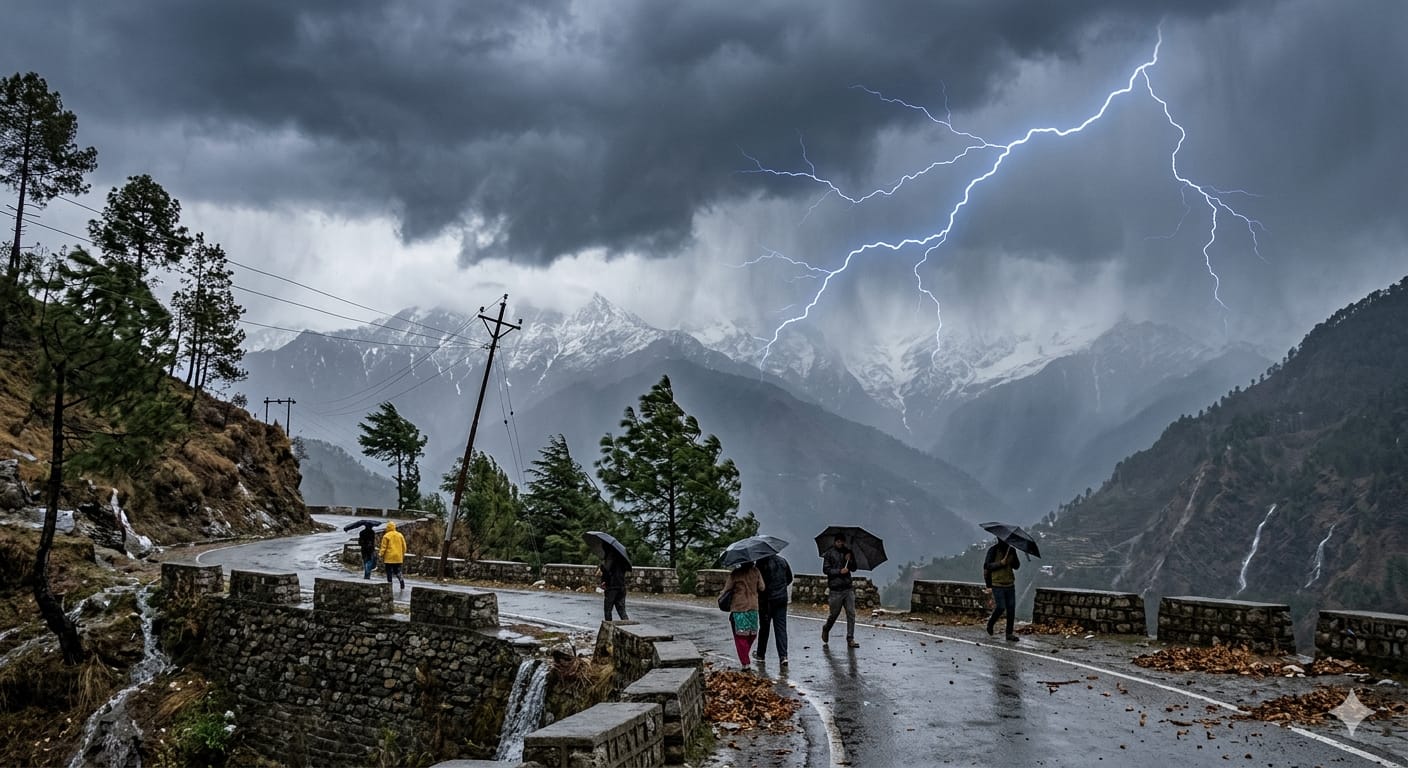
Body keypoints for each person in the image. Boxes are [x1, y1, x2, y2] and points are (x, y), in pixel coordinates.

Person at [721, 561, 766, 671]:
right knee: (751, 634)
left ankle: (745, 662)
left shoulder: (736, 573)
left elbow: (726, 589)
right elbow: (762, 587)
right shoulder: (756, 571)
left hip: (739, 608)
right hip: (753, 608)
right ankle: (745, 657)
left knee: (740, 637)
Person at [754, 553, 793, 666]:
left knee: (764, 628)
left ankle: (761, 654)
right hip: (781, 598)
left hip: (766, 600)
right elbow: (789, 578)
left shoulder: (761, 562)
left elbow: (759, 583)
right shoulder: (783, 561)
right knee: (781, 628)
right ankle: (783, 656)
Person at [821, 534, 859, 648]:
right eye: (838, 541)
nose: (840, 543)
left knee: (851, 613)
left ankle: (850, 638)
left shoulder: (848, 552)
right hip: (835, 590)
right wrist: (839, 571)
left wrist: (850, 560)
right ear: (835, 542)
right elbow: (826, 569)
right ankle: (826, 628)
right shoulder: (829, 553)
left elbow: (854, 568)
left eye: (842, 541)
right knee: (834, 614)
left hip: (847, 588)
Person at [984, 536, 1021, 641]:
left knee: (1011, 609)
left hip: (1010, 583)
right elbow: (987, 566)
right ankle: (991, 623)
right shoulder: (993, 550)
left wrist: (1012, 559)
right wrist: (1001, 563)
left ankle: (1009, 633)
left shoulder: (1011, 550)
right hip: (997, 584)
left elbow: (1017, 566)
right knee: (1000, 607)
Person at [600, 550, 630, 621]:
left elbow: (607, 572)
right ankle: (627, 625)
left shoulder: (610, 558)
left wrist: (602, 568)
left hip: (612, 588)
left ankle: (609, 626)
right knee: (622, 610)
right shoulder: (623, 560)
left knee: (608, 610)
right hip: (621, 587)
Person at [379, 520, 407, 590]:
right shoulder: (400, 535)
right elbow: (404, 546)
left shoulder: (386, 536)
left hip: (389, 558)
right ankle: (402, 582)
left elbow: (383, 547)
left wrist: (381, 554)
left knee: (389, 571)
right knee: (397, 571)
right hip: (398, 557)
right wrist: (402, 554)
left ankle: (389, 584)